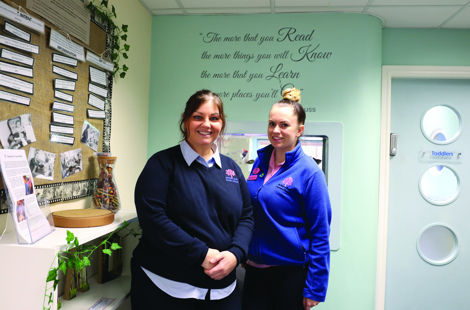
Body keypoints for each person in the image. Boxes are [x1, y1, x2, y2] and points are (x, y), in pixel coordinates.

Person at [131, 89, 254, 310]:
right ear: (186, 121)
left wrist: (236, 255)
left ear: (221, 123)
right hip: (165, 288)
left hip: (223, 291)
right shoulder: (162, 164)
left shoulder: (232, 169)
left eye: (214, 118)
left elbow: (246, 215)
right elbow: (153, 220)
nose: (206, 124)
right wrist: (202, 254)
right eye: (198, 117)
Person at [242, 87, 332, 310]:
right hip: (253, 271)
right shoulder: (260, 162)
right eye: (272, 124)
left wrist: (315, 288)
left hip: (289, 275)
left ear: (300, 130)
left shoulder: (310, 173)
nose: (276, 130)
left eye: (284, 125)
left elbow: (320, 233)